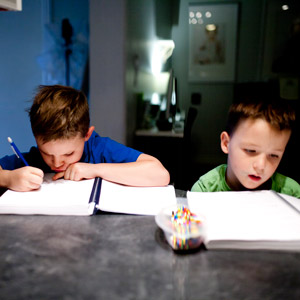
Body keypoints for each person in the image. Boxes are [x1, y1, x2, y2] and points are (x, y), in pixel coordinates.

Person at [0, 85, 170, 192]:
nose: (56, 163)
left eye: (68, 154)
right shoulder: (33, 159)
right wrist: (8, 178)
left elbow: (160, 174)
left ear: (86, 135)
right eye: (47, 153)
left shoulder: (100, 149)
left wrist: (94, 170)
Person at [191, 98, 300, 198]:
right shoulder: (205, 191)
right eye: (251, 150)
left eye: (274, 155)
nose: (261, 166)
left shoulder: (292, 193)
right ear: (226, 143)